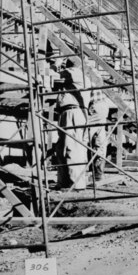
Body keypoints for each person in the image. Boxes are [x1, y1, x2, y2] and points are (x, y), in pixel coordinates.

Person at [54, 59, 89, 190]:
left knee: (72, 147)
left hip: (72, 112)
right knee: (62, 148)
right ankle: (64, 182)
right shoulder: (76, 76)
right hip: (69, 112)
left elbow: (53, 76)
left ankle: (76, 184)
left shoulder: (74, 73)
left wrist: (55, 65)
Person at [87, 90, 111, 181]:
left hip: (94, 105)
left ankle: (86, 172)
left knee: (83, 139)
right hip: (102, 105)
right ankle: (98, 172)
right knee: (99, 141)